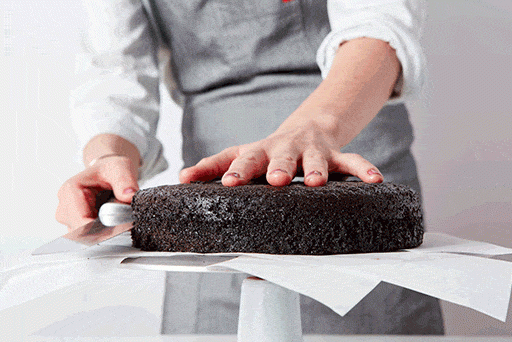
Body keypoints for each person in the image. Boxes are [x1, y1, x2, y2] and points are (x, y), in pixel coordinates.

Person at [56, 0, 444, 334]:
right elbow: (115, 69)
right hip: (211, 223)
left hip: (349, 166)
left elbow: (378, 24)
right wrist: (107, 156)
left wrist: (313, 129)